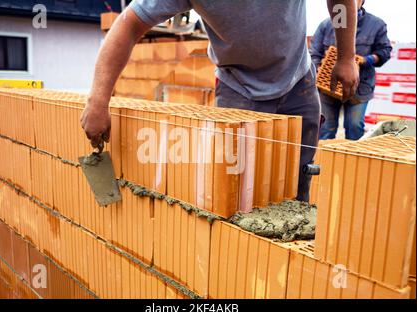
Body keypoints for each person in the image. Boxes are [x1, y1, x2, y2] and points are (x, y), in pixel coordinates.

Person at [81, 0, 360, 203]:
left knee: (299, 176)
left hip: (298, 80)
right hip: (238, 88)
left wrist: (346, 56)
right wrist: (98, 101)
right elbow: (129, 24)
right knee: (239, 191)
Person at [311, 0, 392, 141]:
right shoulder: (325, 25)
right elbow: (314, 53)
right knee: (325, 128)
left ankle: (352, 160)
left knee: (354, 127)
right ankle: (323, 160)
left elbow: (384, 52)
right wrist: (321, 68)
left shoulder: (377, 25)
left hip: (360, 89)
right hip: (328, 86)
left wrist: (366, 60)